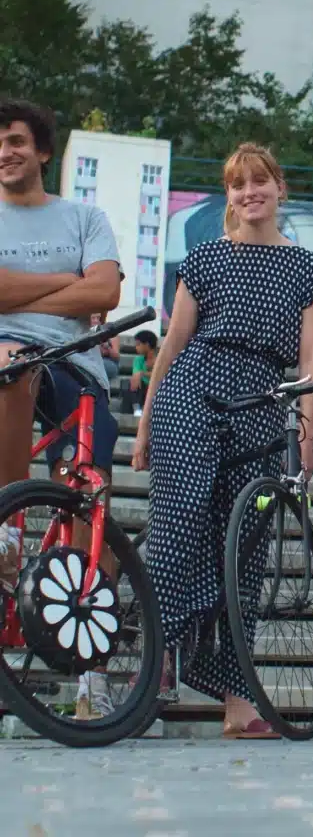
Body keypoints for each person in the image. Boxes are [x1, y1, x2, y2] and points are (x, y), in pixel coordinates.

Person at [132, 143, 313, 739]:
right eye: (238, 185)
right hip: (194, 388)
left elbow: (311, 358)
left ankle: (237, 699)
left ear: (280, 188)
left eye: (259, 181)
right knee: (179, 524)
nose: (250, 193)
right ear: (229, 195)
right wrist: (145, 421)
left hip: (264, 403)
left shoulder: (306, 267)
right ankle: (155, 664)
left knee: (245, 549)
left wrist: (307, 433)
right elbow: (173, 343)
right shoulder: (205, 258)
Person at [0, 98, 122, 720]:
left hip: (77, 366)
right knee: (11, 362)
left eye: (17, 141)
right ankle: (7, 527)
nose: (5, 152)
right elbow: (86, 288)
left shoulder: (84, 216)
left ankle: (91, 671)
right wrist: (68, 287)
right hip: (8, 360)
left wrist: (17, 290)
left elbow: (106, 290)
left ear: (42, 151)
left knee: (89, 499)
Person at [121, 329, 157, 417]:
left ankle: (136, 410)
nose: (136, 347)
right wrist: (140, 375)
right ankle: (136, 409)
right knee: (127, 384)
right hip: (141, 391)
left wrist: (142, 374)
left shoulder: (160, 359)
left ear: (147, 345)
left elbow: (160, 375)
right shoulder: (138, 359)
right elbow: (136, 376)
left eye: (138, 344)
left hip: (155, 390)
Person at [92, 312, 121, 387]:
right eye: (93, 318)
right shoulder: (84, 332)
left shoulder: (111, 333)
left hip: (109, 362)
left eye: (98, 318)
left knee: (96, 366)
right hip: (92, 361)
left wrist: (107, 347)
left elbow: (116, 356)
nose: (96, 321)